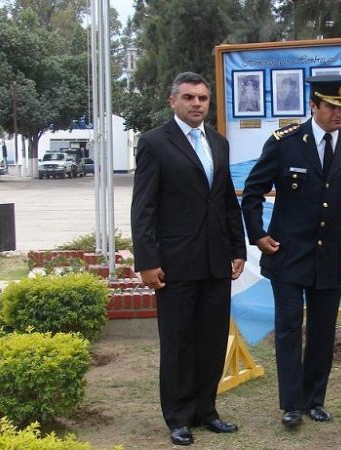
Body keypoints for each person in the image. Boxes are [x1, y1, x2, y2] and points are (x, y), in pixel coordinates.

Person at [241, 75, 341, 428]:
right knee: (288, 327)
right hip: (286, 253)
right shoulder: (285, 144)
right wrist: (257, 236)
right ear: (314, 106)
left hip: (330, 256)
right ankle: (290, 404)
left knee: (322, 332)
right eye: (332, 107)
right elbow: (253, 192)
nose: (339, 115)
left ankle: (314, 400)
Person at [131, 71, 247, 446]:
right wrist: (146, 261)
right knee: (179, 341)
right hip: (175, 263)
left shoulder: (218, 143)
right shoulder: (154, 143)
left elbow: (227, 199)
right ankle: (178, 417)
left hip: (216, 261)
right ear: (173, 102)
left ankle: (206, 411)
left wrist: (238, 248)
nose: (197, 104)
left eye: (202, 98)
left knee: (211, 340)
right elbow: (143, 208)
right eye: (189, 98)